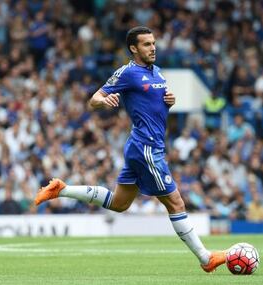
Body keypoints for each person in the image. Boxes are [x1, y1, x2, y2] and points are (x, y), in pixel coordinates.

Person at [34, 26, 227, 273]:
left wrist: (170, 102)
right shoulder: (128, 72)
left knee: (119, 203)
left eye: (154, 43)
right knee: (176, 203)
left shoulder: (157, 72)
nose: (153, 47)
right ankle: (205, 258)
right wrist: (104, 101)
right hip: (145, 147)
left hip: (146, 145)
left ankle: (62, 189)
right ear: (133, 49)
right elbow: (93, 100)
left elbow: (153, 107)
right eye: (147, 44)